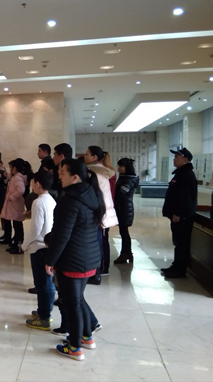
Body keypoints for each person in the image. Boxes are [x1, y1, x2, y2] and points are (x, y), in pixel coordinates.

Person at [44, 159, 105, 361]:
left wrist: (50, 260)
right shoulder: (91, 193)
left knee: (73, 304)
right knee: (78, 299)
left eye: (62, 172)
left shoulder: (70, 200)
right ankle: (87, 337)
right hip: (89, 258)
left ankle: (75, 347)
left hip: (72, 260)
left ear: (75, 177)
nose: (59, 176)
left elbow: (62, 235)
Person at [22, 170, 57, 331]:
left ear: (37, 184)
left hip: (39, 247)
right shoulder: (51, 199)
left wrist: (24, 245)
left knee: (42, 284)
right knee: (47, 283)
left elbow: (35, 229)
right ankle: (44, 310)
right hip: (48, 245)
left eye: (32, 182)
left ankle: (44, 318)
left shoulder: (38, 202)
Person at [161, 148, 197, 279]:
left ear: (185, 159)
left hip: (182, 217)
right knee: (178, 243)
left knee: (182, 244)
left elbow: (186, 198)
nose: (174, 159)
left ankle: (180, 270)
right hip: (177, 215)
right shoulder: (181, 173)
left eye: (177, 157)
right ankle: (176, 265)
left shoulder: (187, 175)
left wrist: (178, 213)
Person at [84, 146, 118, 280]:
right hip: (101, 211)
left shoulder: (96, 173)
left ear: (94, 158)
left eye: (87, 154)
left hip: (101, 212)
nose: (84, 156)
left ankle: (102, 268)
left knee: (101, 242)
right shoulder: (98, 171)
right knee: (100, 240)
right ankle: (99, 268)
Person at [114, 158, 139, 264]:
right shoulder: (124, 178)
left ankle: (126, 254)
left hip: (124, 209)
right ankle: (127, 253)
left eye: (121, 166)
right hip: (123, 208)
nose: (118, 168)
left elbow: (121, 195)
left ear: (127, 168)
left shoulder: (128, 180)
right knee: (123, 232)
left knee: (124, 232)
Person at [1, 159, 29, 251]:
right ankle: (16, 244)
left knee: (17, 226)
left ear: (15, 168)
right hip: (14, 205)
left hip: (15, 204)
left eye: (11, 167)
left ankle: (18, 245)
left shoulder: (18, 178)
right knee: (16, 225)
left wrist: (11, 197)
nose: (10, 169)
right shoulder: (16, 177)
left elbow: (21, 190)